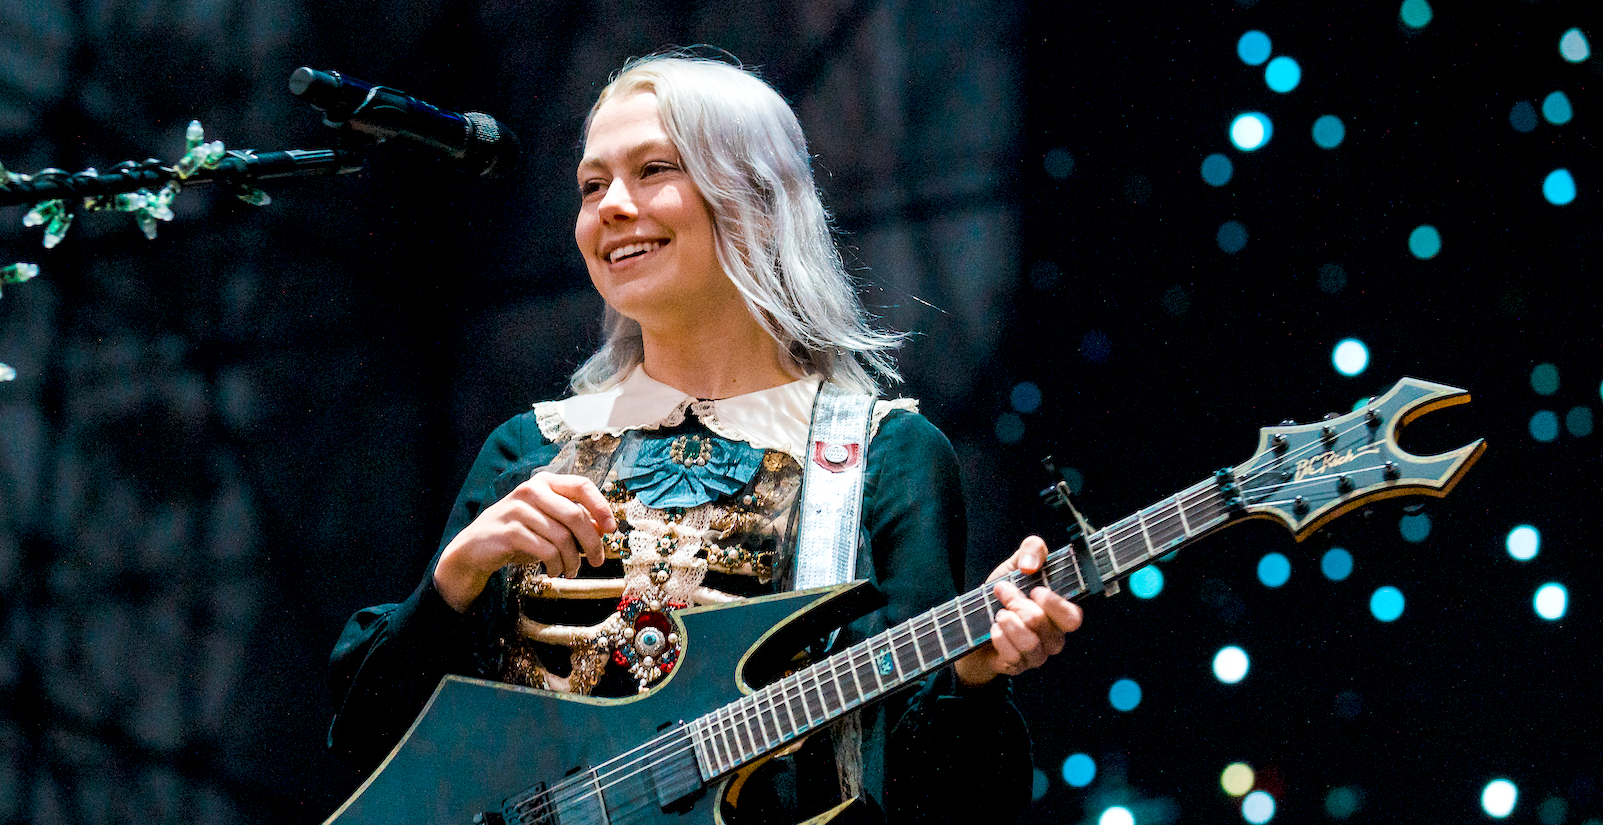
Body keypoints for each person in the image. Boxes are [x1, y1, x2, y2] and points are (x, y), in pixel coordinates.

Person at [327, 51, 1083, 824]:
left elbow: (935, 804)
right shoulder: (530, 446)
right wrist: (452, 581)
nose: (611, 207)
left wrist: (977, 678)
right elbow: (373, 748)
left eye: (655, 169)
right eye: (592, 185)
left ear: (757, 198)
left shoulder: (885, 455)